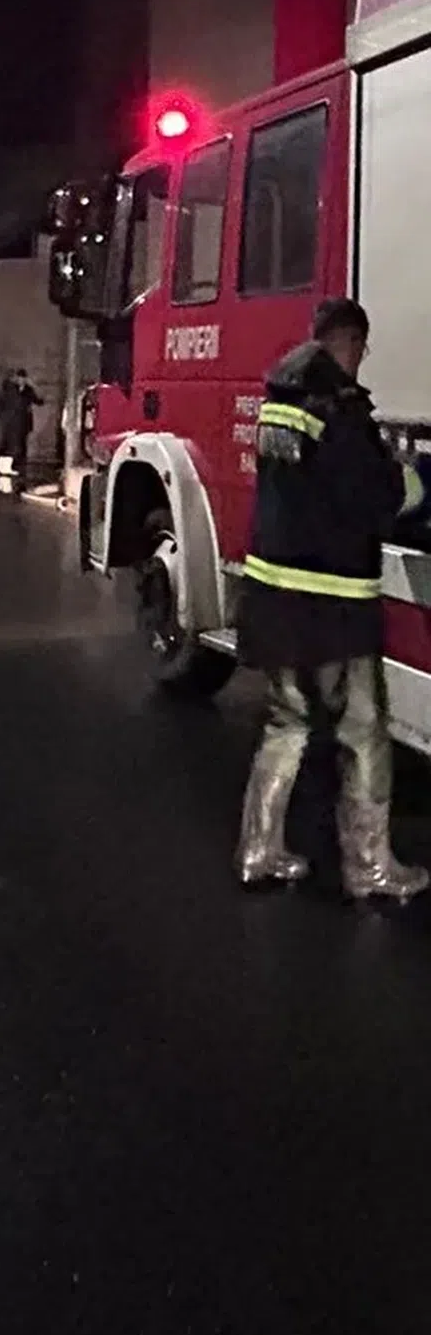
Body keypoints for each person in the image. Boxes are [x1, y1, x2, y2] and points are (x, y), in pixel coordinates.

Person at [236, 295, 429, 902]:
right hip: (334, 602)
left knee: (286, 723)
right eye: (361, 350)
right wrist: (411, 482)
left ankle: (258, 850)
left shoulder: (281, 399)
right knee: (365, 730)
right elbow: (370, 502)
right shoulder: (340, 409)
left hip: (273, 592)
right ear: (349, 342)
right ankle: (369, 866)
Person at [0, 369, 41, 489]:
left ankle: (18, 464)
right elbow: (3, 403)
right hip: (12, 420)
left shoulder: (28, 390)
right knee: (10, 443)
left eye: (23, 378)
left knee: (20, 442)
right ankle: (6, 466)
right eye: (19, 378)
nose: (21, 380)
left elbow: (38, 400)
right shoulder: (11, 390)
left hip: (23, 420)